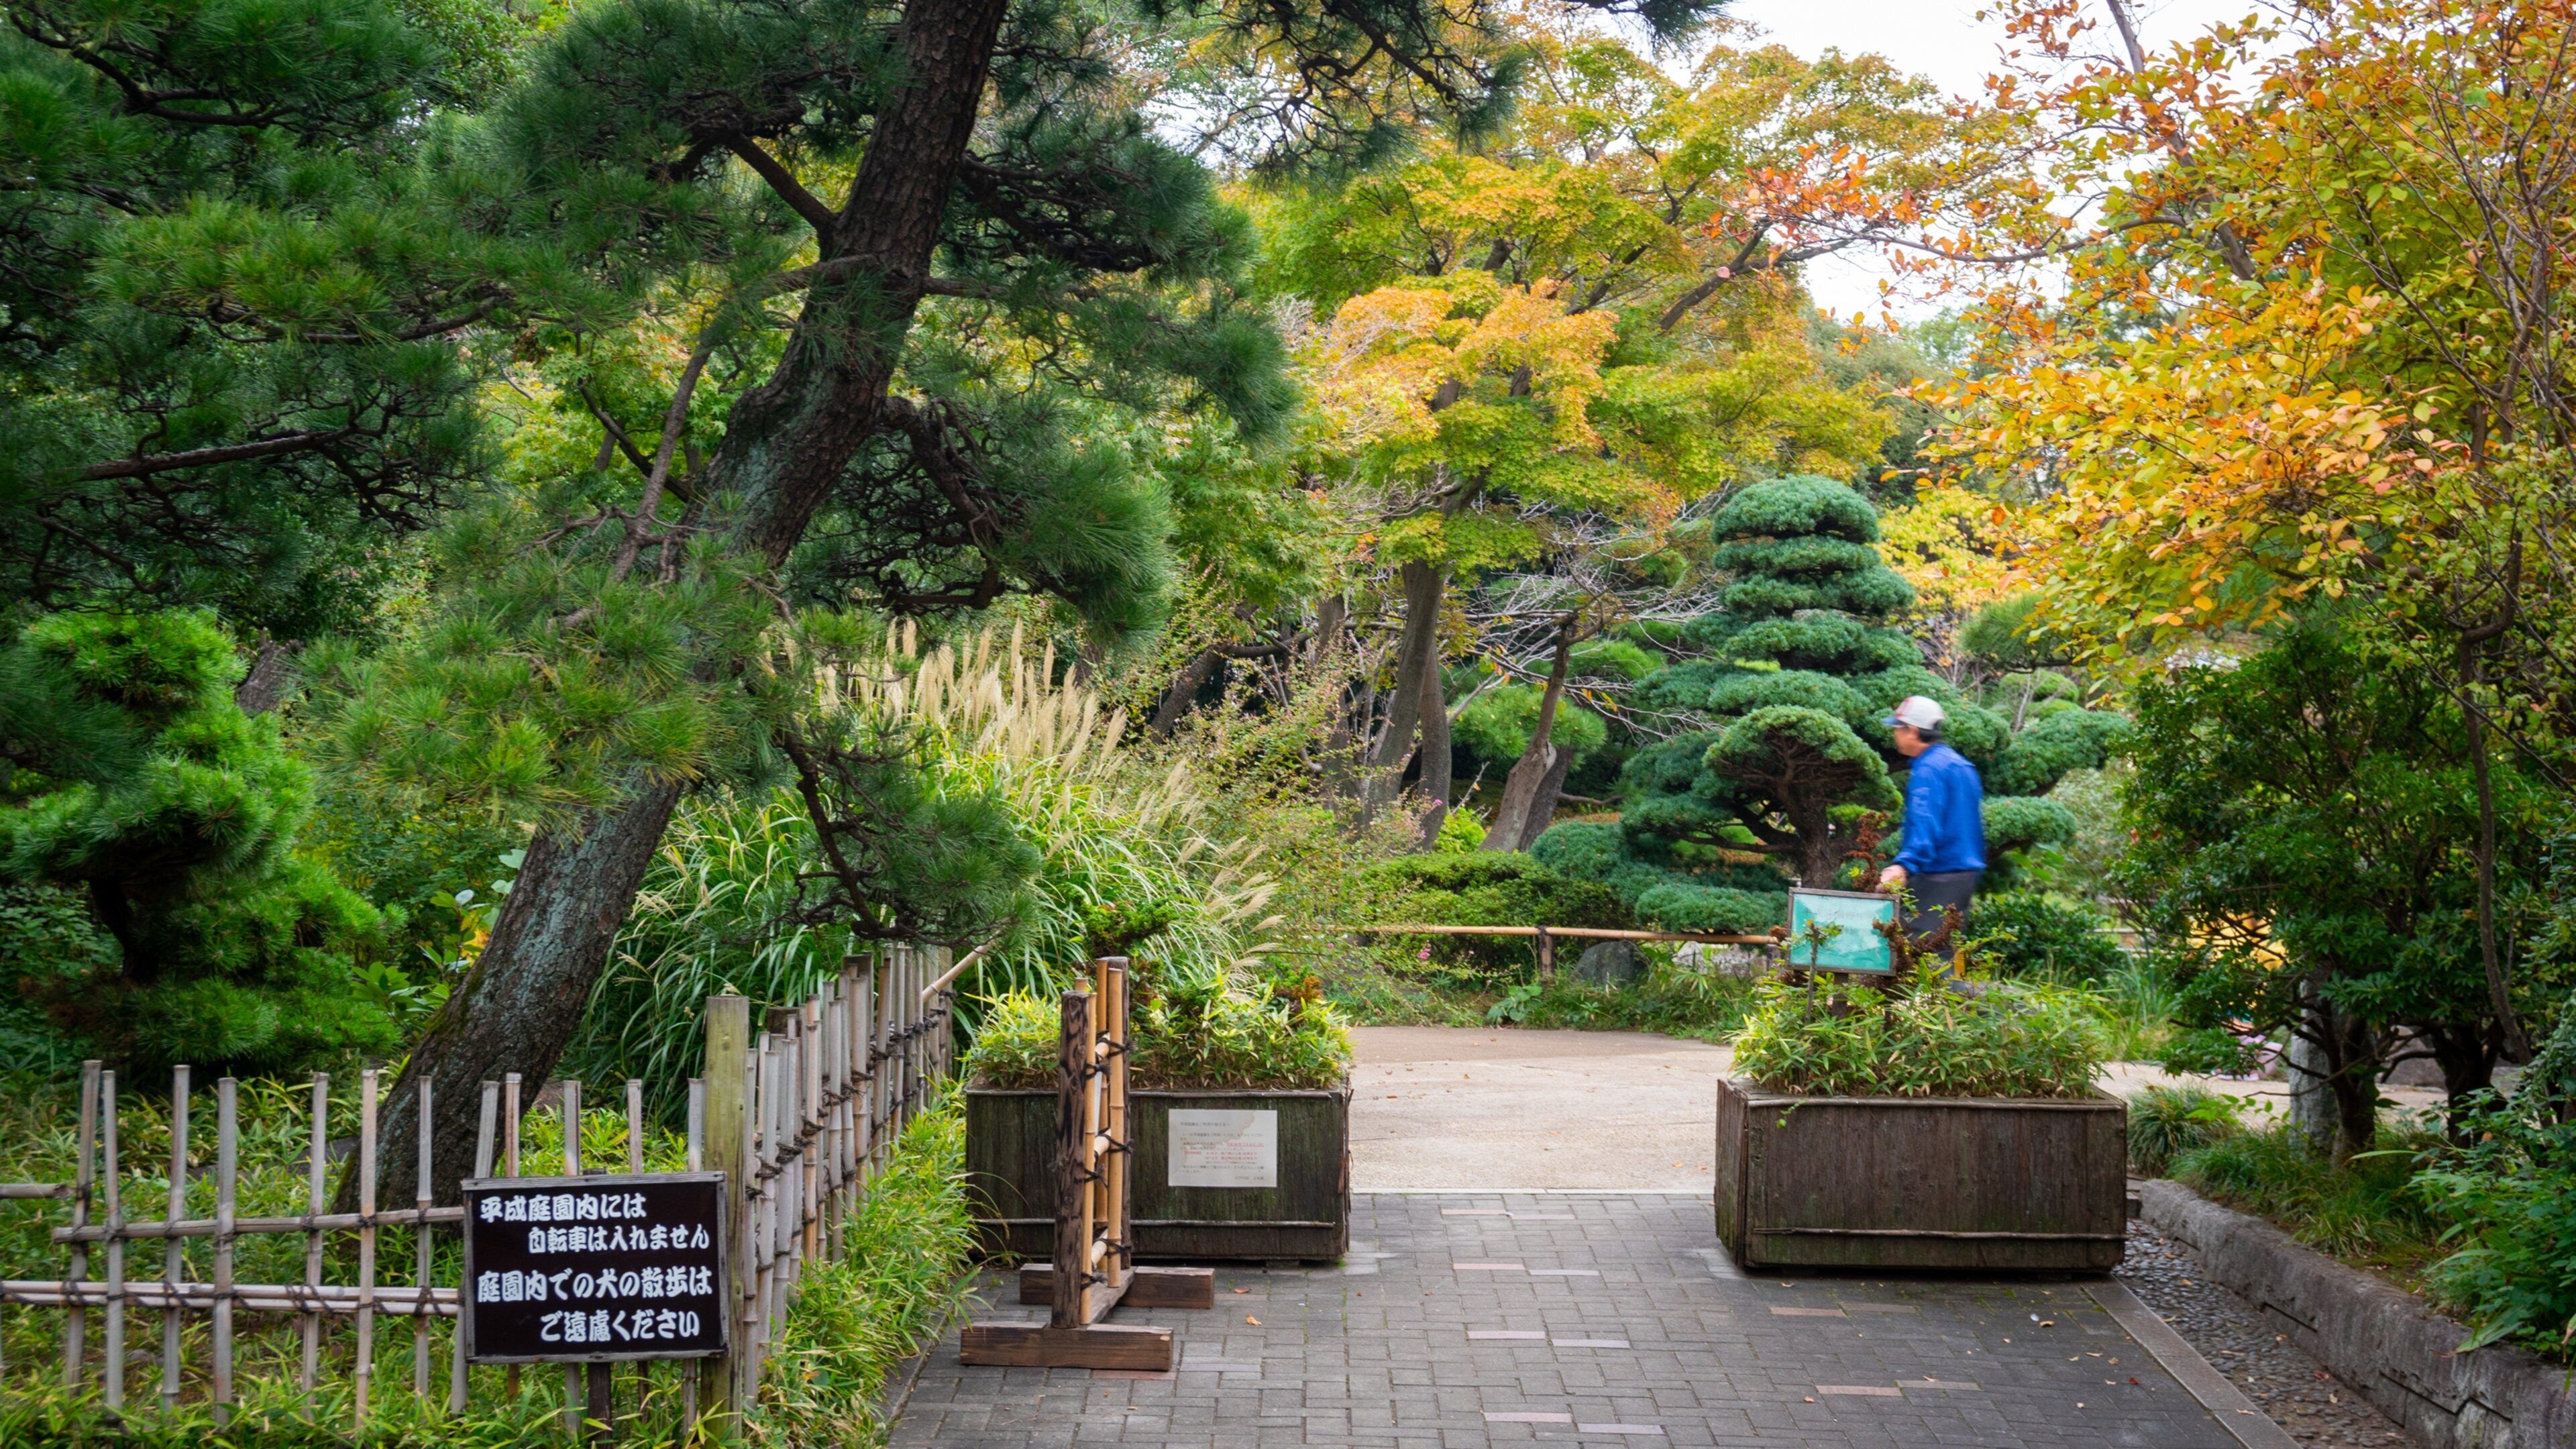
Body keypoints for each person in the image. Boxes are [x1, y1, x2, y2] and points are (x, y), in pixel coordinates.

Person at [1876, 695, 1986, 946]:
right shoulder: (1961, 765)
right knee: (1946, 949)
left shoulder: (1928, 770)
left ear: (1912, 731)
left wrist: (1904, 866)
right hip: (1964, 875)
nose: (1894, 734)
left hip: (1938, 874)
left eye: (1897, 728)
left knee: (1927, 954)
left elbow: (1926, 825)